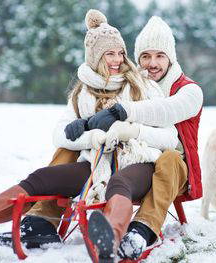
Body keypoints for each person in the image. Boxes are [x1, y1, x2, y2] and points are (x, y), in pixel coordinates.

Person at [0, 10, 177, 263]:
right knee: (42, 177)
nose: (117, 60)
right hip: (96, 163)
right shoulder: (82, 93)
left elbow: (170, 136)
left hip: (138, 162)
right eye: (109, 54)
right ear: (95, 56)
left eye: (120, 53)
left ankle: (110, 241)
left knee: (119, 184)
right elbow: (59, 133)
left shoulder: (143, 86)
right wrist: (87, 136)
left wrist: (127, 131)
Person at [87, 16, 204, 260]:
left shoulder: (189, 90)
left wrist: (123, 111)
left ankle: (143, 230)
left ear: (171, 57)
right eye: (145, 56)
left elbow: (164, 111)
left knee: (170, 158)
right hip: (134, 163)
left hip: (176, 169)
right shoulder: (128, 85)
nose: (152, 63)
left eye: (160, 55)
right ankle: (42, 219)